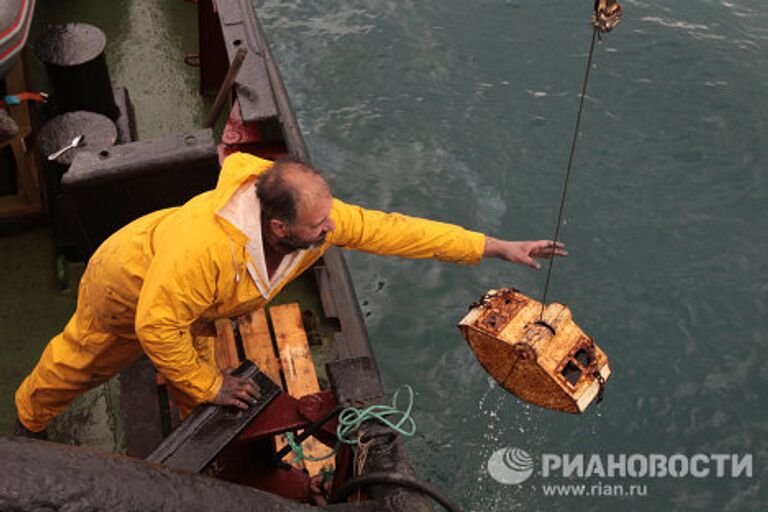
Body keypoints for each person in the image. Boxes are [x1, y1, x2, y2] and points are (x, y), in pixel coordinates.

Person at [14, 153, 566, 438]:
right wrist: (208, 383)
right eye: (319, 224)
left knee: (200, 380)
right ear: (278, 228)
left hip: (199, 312)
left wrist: (493, 247)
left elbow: (396, 230)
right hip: (126, 290)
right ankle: (26, 420)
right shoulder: (202, 250)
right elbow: (155, 326)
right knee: (82, 361)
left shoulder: (311, 220)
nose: (332, 229)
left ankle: (192, 436)